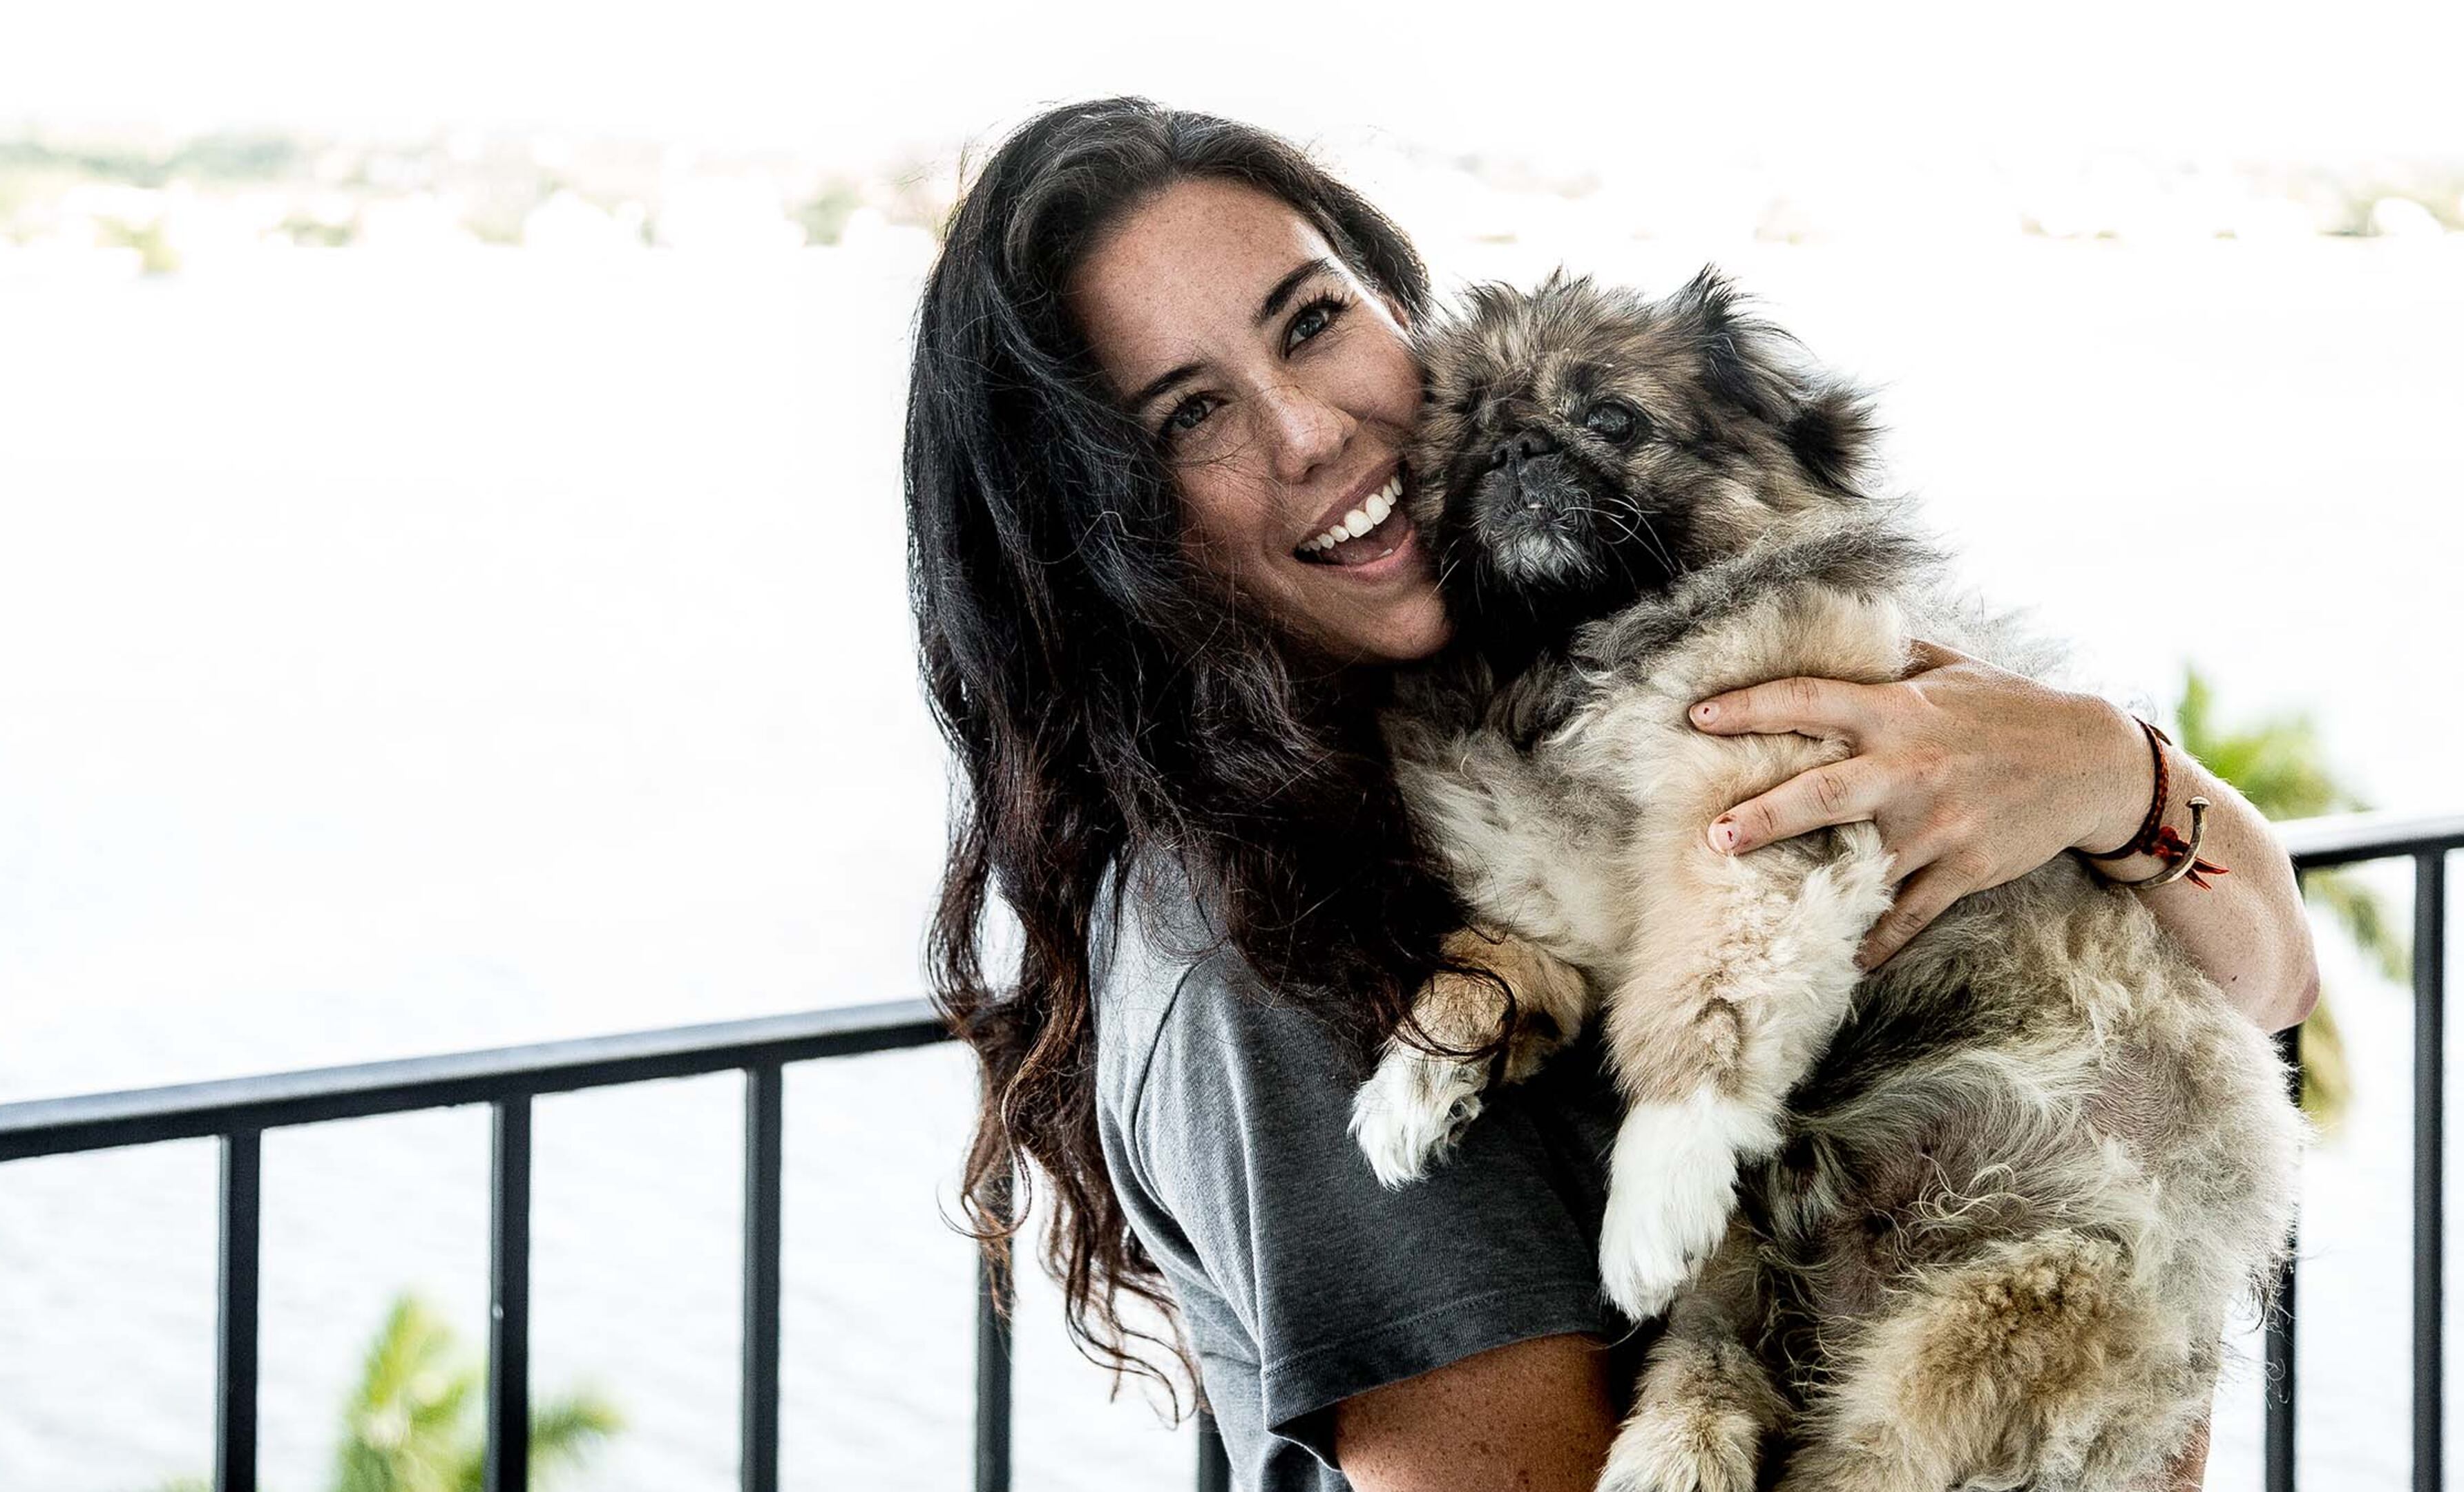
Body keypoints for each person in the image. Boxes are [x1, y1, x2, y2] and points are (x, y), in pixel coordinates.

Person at [900, 96, 2319, 1492]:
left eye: (1312, 319)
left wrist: (2114, 777)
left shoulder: (1533, 699)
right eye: (1190, 414)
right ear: (1106, 531)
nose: (1307, 432)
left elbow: (2270, 982)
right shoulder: (1248, 958)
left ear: (1404, 314)